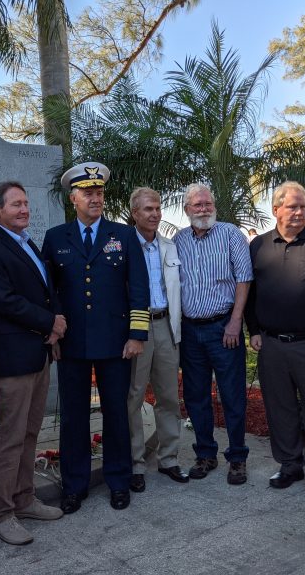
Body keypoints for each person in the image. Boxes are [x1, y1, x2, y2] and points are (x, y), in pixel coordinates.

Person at [41, 161, 150, 514]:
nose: (96, 199)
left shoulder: (124, 235)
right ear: (73, 198)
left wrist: (137, 334)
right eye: (88, 193)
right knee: (73, 417)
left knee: (116, 412)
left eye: (99, 193)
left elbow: (139, 288)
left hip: (115, 342)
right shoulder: (56, 237)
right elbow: (49, 292)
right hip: (72, 344)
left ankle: (119, 480)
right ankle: (75, 485)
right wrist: (53, 332)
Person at [0, 181, 65, 546]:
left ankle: (24, 499)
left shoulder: (25, 241)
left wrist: (56, 324)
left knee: (30, 432)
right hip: (12, 359)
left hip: (38, 351)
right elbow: (2, 299)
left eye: (26, 203)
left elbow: (45, 290)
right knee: (10, 438)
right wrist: (48, 322)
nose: (24, 209)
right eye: (16, 204)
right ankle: (1, 513)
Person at [246, 181, 305, 504]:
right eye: (293, 206)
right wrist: (254, 330)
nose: (301, 212)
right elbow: (250, 292)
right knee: (280, 409)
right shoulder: (258, 246)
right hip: (272, 345)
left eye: (303, 206)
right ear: (276, 210)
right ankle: (290, 465)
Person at [173, 183, 253, 485]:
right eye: (196, 205)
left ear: (214, 205)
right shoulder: (178, 241)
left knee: (232, 396)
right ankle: (205, 454)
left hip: (224, 328)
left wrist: (235, 322)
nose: (203, 209)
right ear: (186, 210)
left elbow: (244, 280)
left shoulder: (231, 234)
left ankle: (237, 458)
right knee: (196, 397)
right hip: (190, 331)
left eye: (207, 203)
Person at [126, 187, 188, 493]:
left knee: (168, 398)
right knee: (133, 398)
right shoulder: (123, 245)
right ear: (135, 213)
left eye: (158, 208)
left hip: (166, 327)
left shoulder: (170, 246)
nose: (154, 214)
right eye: (148, 209)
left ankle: (169, 458)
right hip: (136, 331)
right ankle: (136, 463)